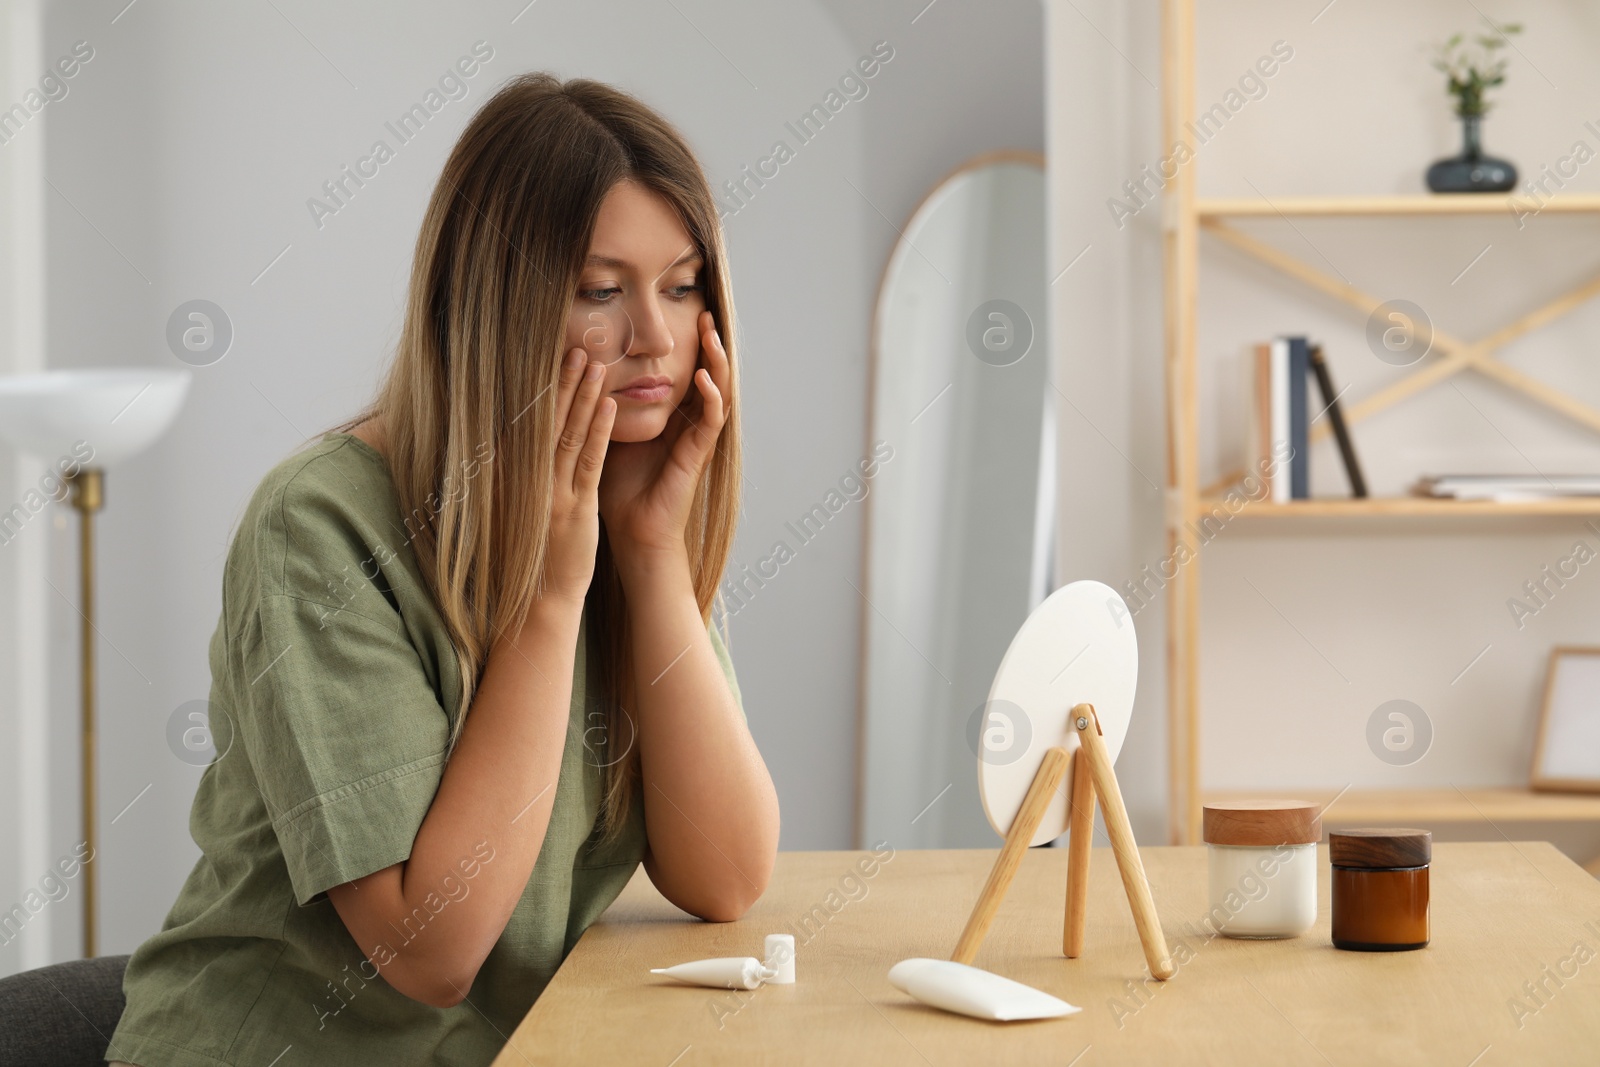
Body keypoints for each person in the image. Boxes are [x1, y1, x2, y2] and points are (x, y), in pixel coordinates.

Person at [106, 71, 779, 1067]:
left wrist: (649, 559)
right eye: (601, 290)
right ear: (495, 304)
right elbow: (430, 951)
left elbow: (724, 873)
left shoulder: (627, 507)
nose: (657, 338)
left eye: (681, 286)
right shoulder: (320, 525)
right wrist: (551, 598)